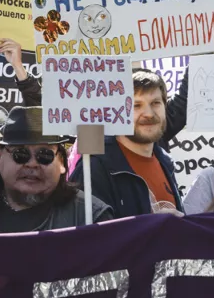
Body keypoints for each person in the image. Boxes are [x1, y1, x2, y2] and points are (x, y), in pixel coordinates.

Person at [0, 106, 112, 232]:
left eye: (44, 155)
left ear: (62, 162)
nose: (32, 164)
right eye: (20, 154)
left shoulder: (90, 215)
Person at [68, 70, 185, 218]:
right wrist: (151, 224)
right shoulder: (94, 170)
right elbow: (92, 237)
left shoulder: (165, 162)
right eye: (136, 105)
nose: (148, 113)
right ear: (117, 112)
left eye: (155, 103)